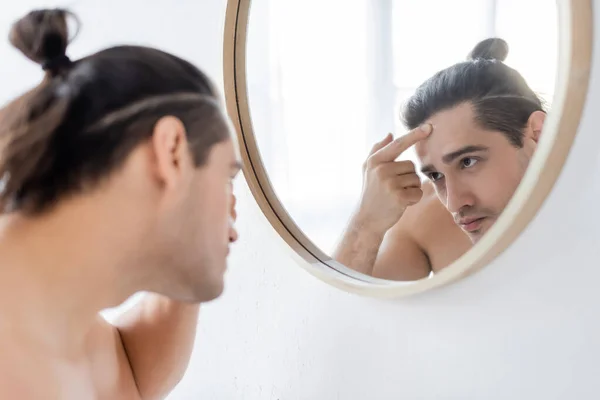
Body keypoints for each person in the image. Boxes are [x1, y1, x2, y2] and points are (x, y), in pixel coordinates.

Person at [0, 8, 241, 399]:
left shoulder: (69, 340)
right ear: (173, 152)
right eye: (228, 177)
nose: (233, 218)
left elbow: (132, 370)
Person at [333, 38, 546, 281]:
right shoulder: (423, 219)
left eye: (468, 162)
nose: (454, 204)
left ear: (536, 134)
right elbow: (340, 316)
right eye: (436, 175)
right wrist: (365, 224)